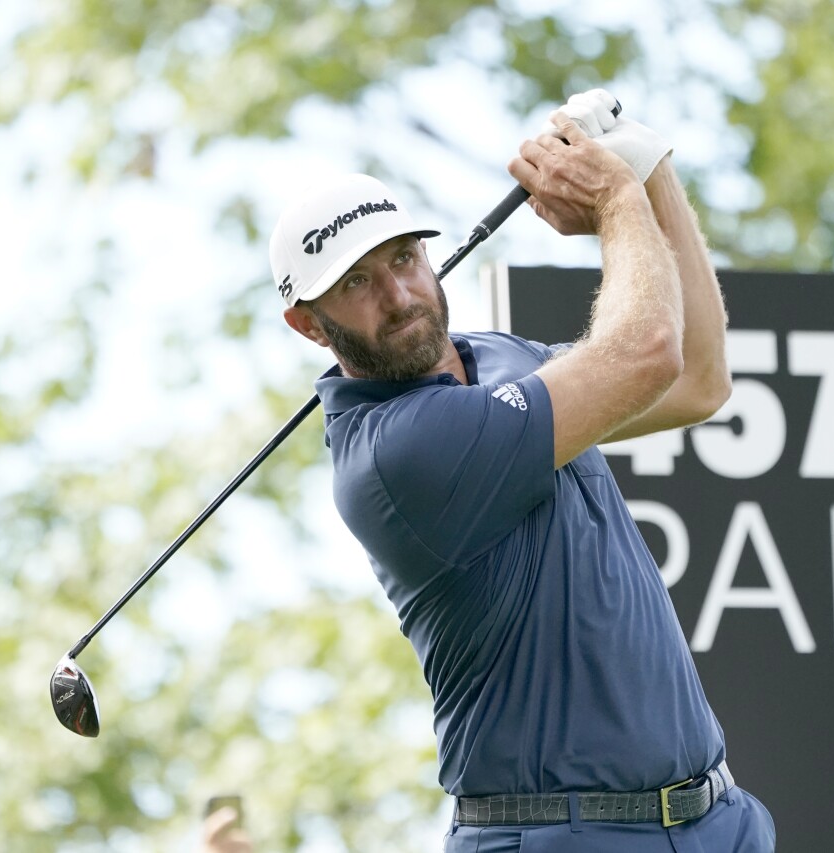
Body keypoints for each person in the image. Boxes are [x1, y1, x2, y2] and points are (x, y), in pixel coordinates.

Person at [269, 89, 775, 851]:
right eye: (356, 284)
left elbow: (697, 376)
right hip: (560, 837)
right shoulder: (395, 454)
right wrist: (614, 200)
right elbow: (643, 351)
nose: (400, 295)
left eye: (404, 258)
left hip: (717, 820)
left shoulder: (499, 358)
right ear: (310, 323)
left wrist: (650, 167)